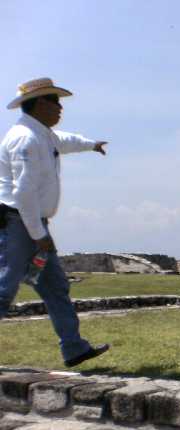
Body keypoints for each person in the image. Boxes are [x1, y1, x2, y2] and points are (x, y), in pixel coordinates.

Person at [0, 77, 110, 367]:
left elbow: (65, 141)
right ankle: (73, 346)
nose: (60, 108)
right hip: (18, 224)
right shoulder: (26, 139)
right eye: (55, 101)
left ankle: (74, 348)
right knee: (3, 289)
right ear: (39, 103)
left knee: (55, 286)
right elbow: (23, 193)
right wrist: (38, 234)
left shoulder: (42, 134)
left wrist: (91, 145)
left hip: (31, 223)